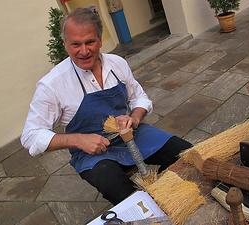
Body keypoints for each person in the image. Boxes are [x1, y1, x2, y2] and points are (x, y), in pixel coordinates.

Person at [21, 7, 192, 205]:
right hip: (91, 154)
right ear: (65, 44)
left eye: (90, 42)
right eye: (75, 44)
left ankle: (170, 195)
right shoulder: (52, 84)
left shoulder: (117, 63)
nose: (84, 51)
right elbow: (30, 136)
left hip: (130, 134)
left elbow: (139, 98)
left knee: (187, 154)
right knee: (122, 193)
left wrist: (135, 117)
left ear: (100, 40)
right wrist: (78, 140)